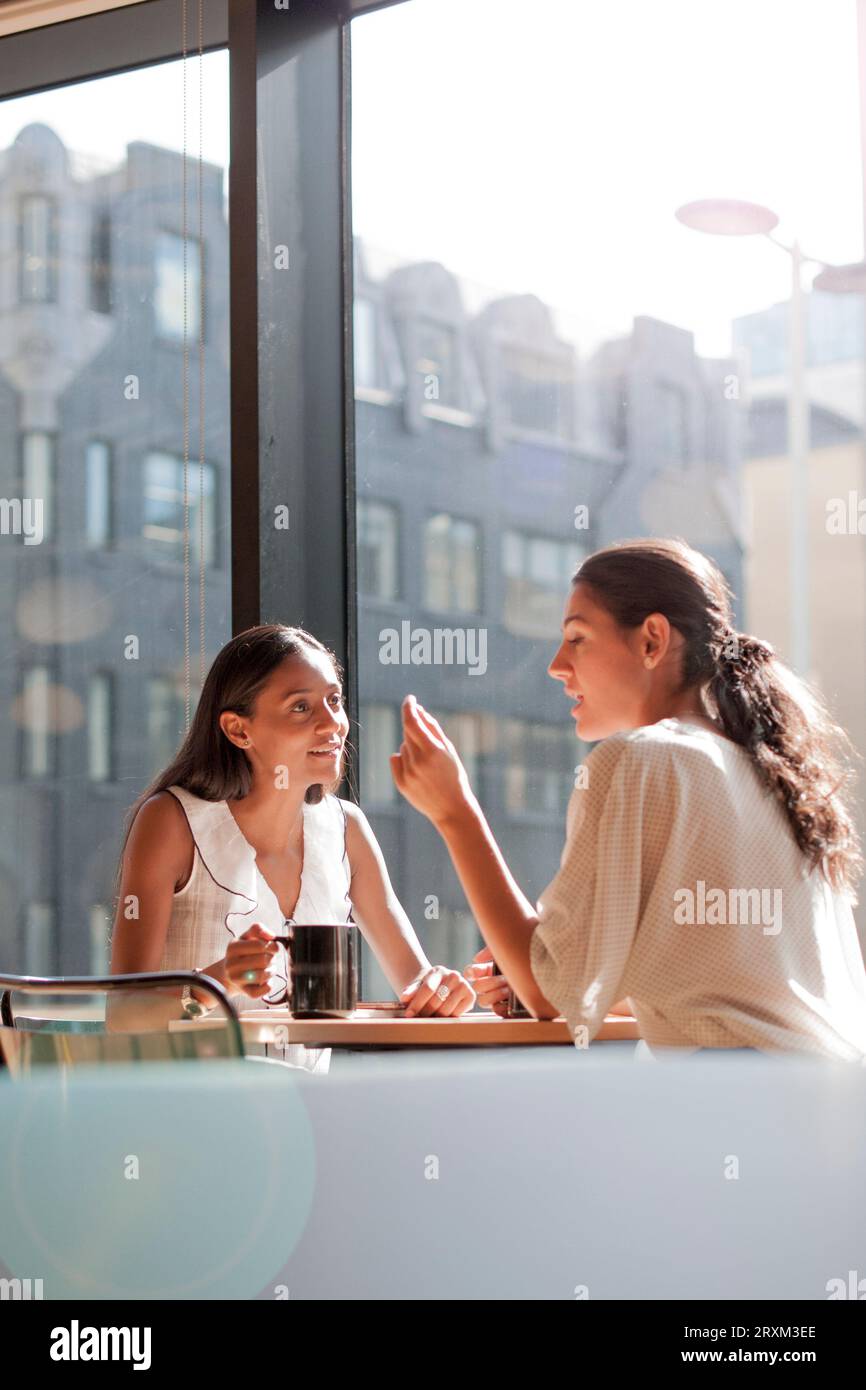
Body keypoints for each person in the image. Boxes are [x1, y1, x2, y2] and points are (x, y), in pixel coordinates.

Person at [390, 537, 866, 1061]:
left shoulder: (640, 759)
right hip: (823, 1114)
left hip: (736, 1107)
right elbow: (728, 992)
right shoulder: (774, 772)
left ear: (651, 641)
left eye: (577, 639)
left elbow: (547, 995)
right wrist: (568, 975)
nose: (555, 665)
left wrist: (455, 812)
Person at [109, 624, 476, 1028]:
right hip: (193, 1091)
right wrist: (219, 980)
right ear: (238, 730)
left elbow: (416, 982)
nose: (332, 723)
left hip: (306, 1092)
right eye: (301, 707)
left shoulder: (346, 829)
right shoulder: (171, 822)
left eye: (334, 700)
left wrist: (440, 989)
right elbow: (125, 1014)